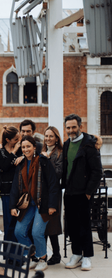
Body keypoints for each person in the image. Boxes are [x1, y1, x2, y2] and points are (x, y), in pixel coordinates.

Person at [10, 136, 59, 272]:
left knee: (37, 232)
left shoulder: (43, 161)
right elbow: (15, 186)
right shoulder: (21, 164)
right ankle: (33, 257)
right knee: (19, 231)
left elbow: (53, 184)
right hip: (27, 204)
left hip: (42, 203)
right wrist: (12, 206)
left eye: (28, 146)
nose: (26, 149)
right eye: (23, 147)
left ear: (34, 147)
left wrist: (52, 205)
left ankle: (42, 259)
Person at [62, 114, 102, 271]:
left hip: (83, 193)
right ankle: (76, 254)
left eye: (73, 127)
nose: (71, 130)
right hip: (69, 192)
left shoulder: (89, 145)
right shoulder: (66, 144)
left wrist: (89, 191)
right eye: (68, 128)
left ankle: (87, 257)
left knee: (84, 225)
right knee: (71, 225)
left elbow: (97, 171)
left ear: (80, 126)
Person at [40, 126, 63, 266]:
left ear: (56, 138)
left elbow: (59, 174)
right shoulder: (41, 151)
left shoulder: (59, 153)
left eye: (51, 136)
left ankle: (56, 254)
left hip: (54, 192)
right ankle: (43, 253)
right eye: (46, 136)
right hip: (42, 192)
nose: (48, 138)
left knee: (53, 224)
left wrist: (48, 161)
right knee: (42, 225)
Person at [0, 126, 20, 246]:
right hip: (6, 191)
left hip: (20, 190)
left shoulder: (20, 149)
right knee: (9, 223)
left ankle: (19, 253)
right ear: (7, 139)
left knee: (19, 224)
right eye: (15, 139)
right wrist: (14, 152)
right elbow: (4, 166)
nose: (18, 142)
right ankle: (8, 254)